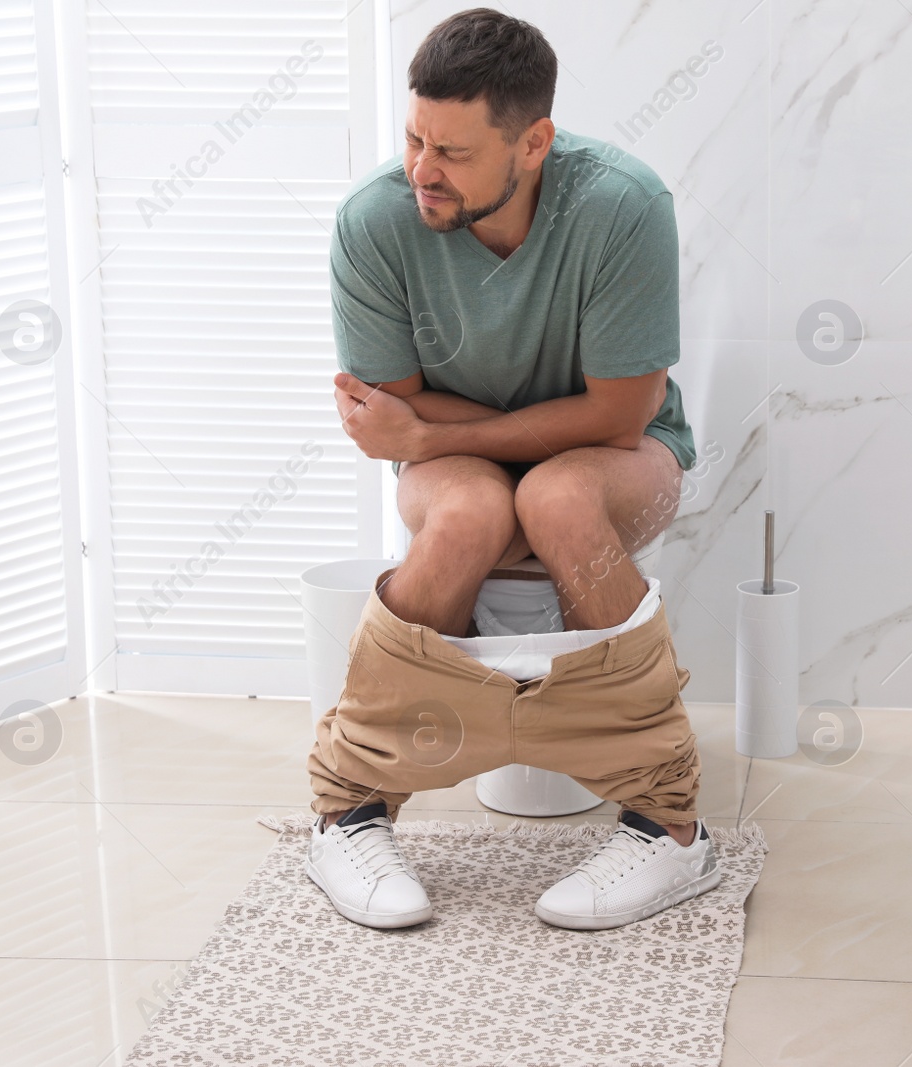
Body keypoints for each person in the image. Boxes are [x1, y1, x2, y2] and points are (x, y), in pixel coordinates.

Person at [304, 7, 716, 932]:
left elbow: (618, 414)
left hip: (616, 457)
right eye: (414, 138)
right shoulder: (375, 221)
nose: (422, 170)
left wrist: (441, 435)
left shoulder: (622, 206)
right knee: (468, 518)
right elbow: (391, 405)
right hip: (467, 471)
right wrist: (463, 440)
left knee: (560, 495)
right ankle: (350, 808)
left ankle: (671, 829)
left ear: (533, 143)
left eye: (450, 151)